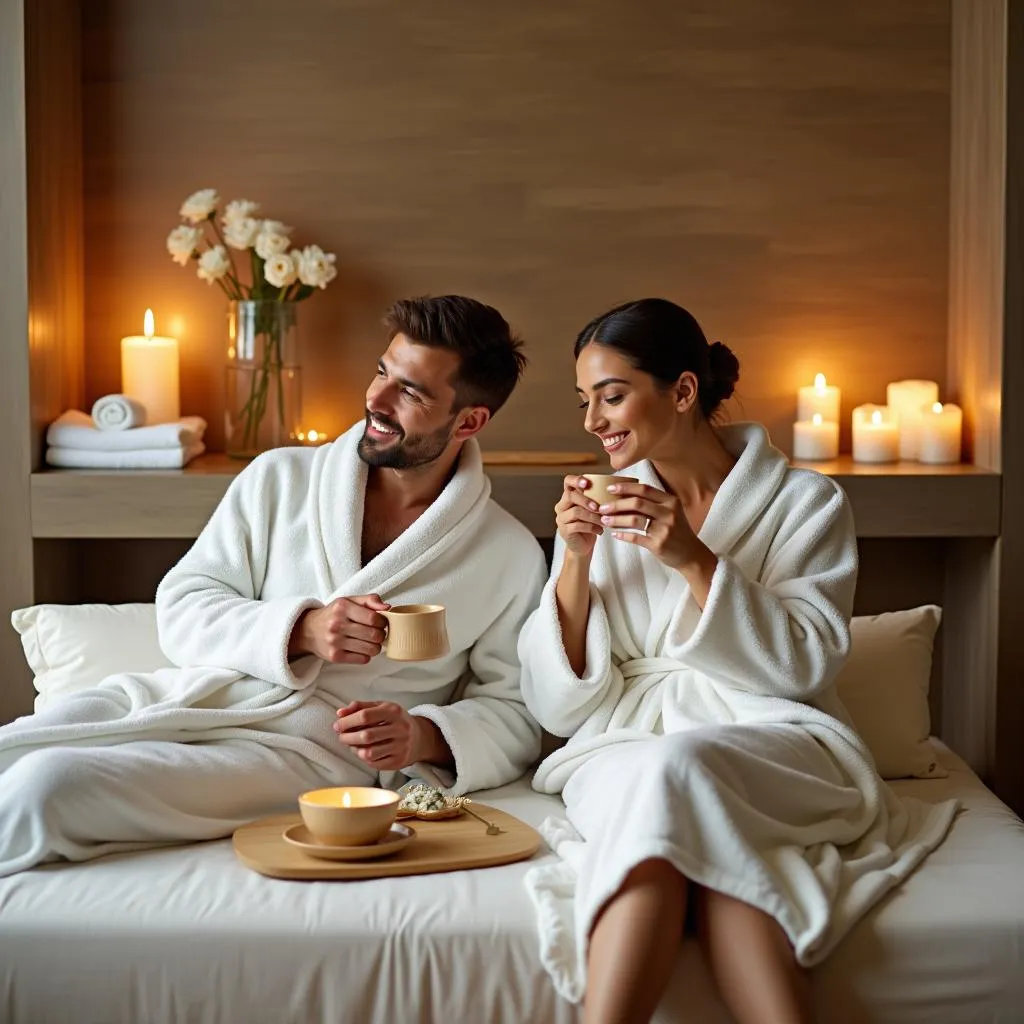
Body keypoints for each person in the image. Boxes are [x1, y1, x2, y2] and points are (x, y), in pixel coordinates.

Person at [518, 298, 958, 1024]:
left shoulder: (805, 504)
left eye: (612, 395)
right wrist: (573, 561)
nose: (592, 422)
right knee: (686, 795)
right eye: (585, 400)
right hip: (628, 745)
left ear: (683, 391)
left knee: (681, 770)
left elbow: (803, 665)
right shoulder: (610, 506)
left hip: (774, 736)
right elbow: (558, 705)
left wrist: (694, 561)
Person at [0, 295, 547, 877]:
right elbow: (182, 606)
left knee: (45, 786)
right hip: (193, 696)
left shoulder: (506, 554)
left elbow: (514, 710)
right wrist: (302, 629)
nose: (377, 399)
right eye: (383, 371)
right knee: (13, 757)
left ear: (468, 421)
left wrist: (422, 737)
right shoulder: (279, 478)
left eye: (411, 392)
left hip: (306, 754)